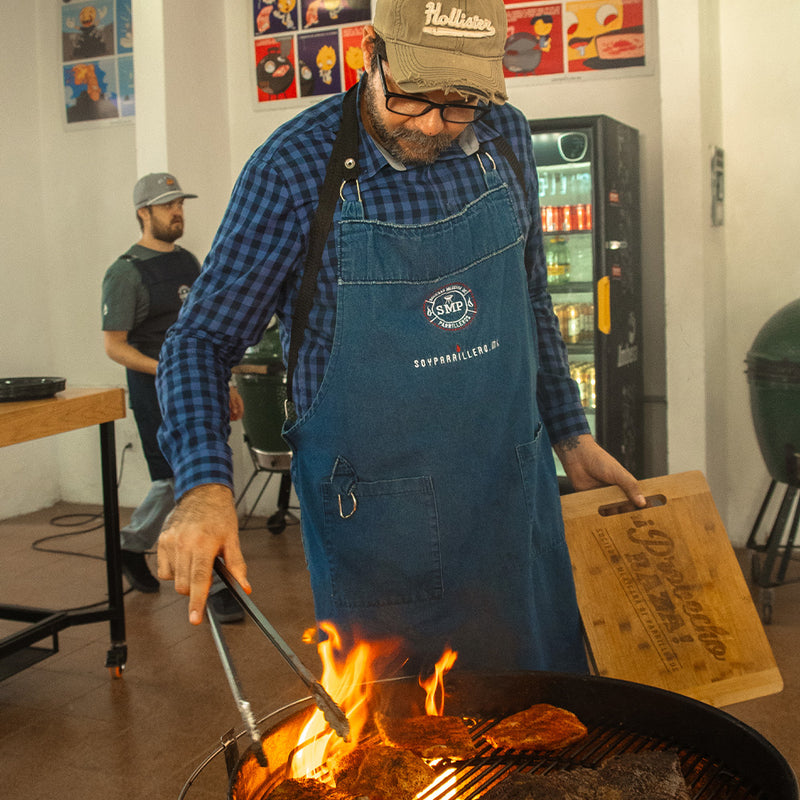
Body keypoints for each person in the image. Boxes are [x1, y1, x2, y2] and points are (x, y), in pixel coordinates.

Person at [156, 0, 647, 671]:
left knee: (544, 710)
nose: (431, 125)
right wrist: (205, 486)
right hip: (381, 526)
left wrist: (570, 431)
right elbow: (200, 342)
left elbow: (529, 294)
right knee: (403, 736)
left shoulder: (504, 139)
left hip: (509, 492)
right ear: (368, 52)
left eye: (460, 104)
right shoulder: (295, 170)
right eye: (412, 98)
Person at [101, 172, 245, 622]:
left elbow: (210, 335)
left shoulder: (188, 262)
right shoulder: (125, 273)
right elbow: (114, 345)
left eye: (180, 202)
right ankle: (212, 584)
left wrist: (224, 381)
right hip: (155, 389)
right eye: (167, 205)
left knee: (210, 476)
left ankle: (134, 544)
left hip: (202, 384)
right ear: (143, 213)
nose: (177, 211)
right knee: (174, 481)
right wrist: (172, 369)